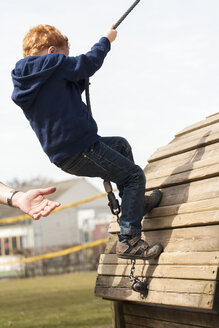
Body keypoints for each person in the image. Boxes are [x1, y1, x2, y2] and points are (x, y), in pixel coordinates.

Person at [11, 24, 163, 260]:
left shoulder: (28, 80)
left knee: (121, 146)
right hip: (81, 148)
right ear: (52, 51)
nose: (66, 62)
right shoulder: (53, 63)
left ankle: (136, 204)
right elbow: (88, 62)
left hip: (66, 154)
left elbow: (61, 97)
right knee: (134, 176)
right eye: (65, 57)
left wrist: (77, 80)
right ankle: (128, 241)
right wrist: (106, 40)